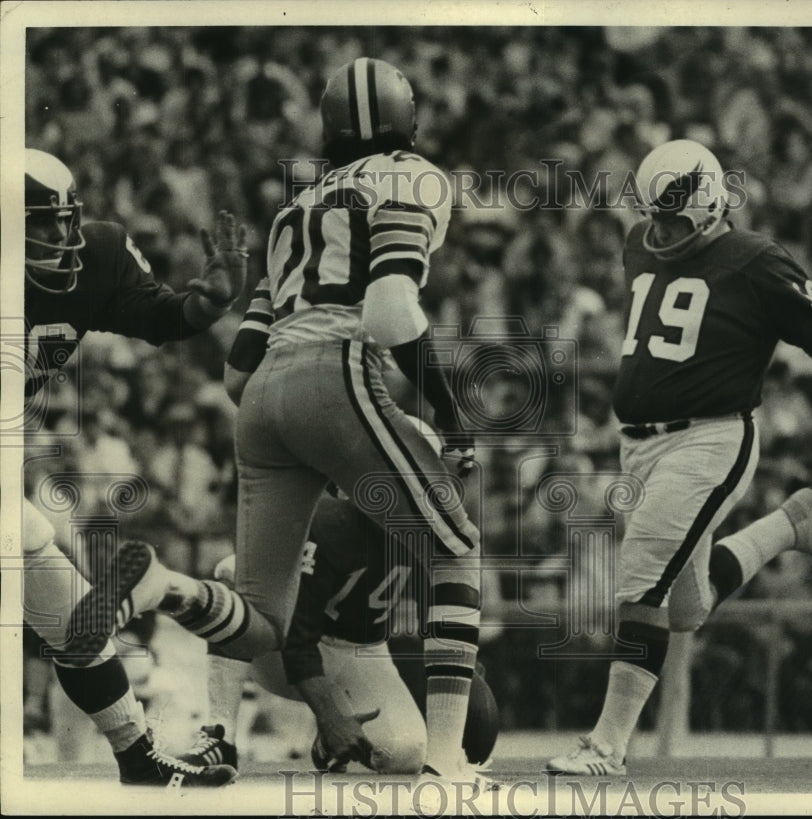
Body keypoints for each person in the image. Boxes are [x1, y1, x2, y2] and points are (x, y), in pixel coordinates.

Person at [86, 57, 491, 796]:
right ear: (405, 119)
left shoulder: (295, 208)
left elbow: (238, 369)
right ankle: (448, 761)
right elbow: (391, 312)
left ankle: (163, 590)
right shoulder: (411, 176)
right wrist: (452, 413)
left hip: (265, 397)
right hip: (335, 373)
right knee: (458, 547)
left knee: (262, 618)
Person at [546, 139, 812, 776]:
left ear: (707, 201)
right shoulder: (638, 245)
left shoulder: (758, 260)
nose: (662, 230)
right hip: (639, 445)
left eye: (674, 217)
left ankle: (605, 746)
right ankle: (791, 523)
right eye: (654, 216)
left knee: (641, 573)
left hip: (710, 437)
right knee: (684, 607)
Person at [21, 148, 247, 786]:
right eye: (41, 223)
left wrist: (206, 306)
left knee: (71, 615)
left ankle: (136, 753)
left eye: (65, 220)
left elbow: (161, 316)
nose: (60, 238)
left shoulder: (96, 260)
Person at [181, 491, 498, 775]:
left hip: (362, 650)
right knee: (235, 590)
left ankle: (327, 746)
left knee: (404, 753)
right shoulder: (330, 523)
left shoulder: (432, 535)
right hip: (281, 643)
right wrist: (329, 716)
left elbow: (438, 621)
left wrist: (463, 672)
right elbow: (298, 638)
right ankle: (220, 734)